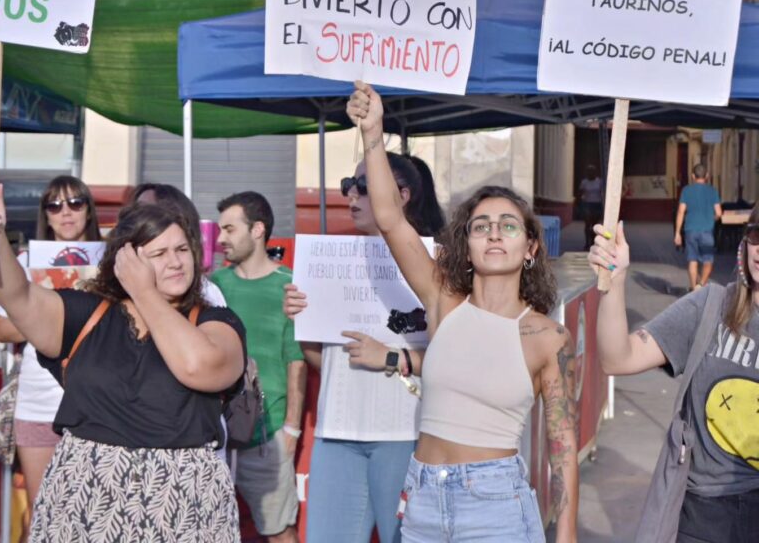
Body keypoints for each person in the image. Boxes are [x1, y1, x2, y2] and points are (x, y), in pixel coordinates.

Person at [344, 81, 578, 543]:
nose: (494, 234)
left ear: (531, 247)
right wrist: (373, 133)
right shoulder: (443, 300)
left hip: (496, 506)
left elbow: (563, 446)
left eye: (508, 226)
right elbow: (390, 219)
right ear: (466, 245)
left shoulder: (547, 338)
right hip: (423, 501)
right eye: (481, 226)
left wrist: (566, 532)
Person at [0, 193, 246, 542]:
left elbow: (197, 366)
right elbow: (17, 296)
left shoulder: (215, 321)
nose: (175, 262)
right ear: (126, 262)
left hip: (184, 503)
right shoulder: (87, 316)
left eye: (182, 249)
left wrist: (144, 292)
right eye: (159, 253)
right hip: (84, 499)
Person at [284, 150, 445, 543]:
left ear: (402, 195)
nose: (351, 195)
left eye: (363, 186)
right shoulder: (333, 260)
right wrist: (302, 319)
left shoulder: (438, 265)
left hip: (405, 432)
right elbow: (322, 360)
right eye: (348, 186)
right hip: (336, 431)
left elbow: (458, 361)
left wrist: (389, 356)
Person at [590, 209, 759, 542]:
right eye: (758, 235)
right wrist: (615, 281)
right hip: (703, 514)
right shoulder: (710, 307)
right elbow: (618, 358)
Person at [0, 175, 101, 521]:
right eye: (54, 205)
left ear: (89, 209)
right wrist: (57, 318)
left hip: (100, 404)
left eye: (75, 203)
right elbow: (2, 329)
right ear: (46, 215)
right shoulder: (24, 262)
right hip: (39, 402)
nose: (65, 212)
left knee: (93, 517)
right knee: (42, 516)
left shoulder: (112, 262)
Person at [211, 191, 307, 543]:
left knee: (280, 533)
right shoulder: (214, 286)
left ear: (257, 230)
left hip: (267, 436)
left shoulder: (290, 285)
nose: (220, 239)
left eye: (230, 229)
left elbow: (296, 359)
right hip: (214, 437)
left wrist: (291, 430)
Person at [674, 164, 722, 291]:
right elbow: (719, 213)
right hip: (707, 231)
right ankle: (700, 285)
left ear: (692, 176)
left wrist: (677, 233)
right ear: (707, 176)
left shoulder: (686, 191)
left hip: (690, 230)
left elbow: (681, 211)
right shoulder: (712, 191)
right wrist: (712, 219)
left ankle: (693, 288)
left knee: (692, 260)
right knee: (708, 261)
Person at [578, 165, 603, 251]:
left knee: (595, 225)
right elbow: (580, 193)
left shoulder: (599, 182)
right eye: (589, 172)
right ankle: (587, 243)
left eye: (592, 171)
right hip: (587, 204)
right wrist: (579, 204)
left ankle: (593, 242)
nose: (590, 173)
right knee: (588, 224)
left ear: (595, 173)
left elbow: (603, 192)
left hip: (597, 204)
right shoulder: (584, 182)